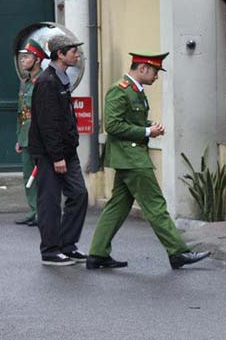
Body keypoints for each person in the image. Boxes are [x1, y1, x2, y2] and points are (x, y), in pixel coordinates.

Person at [87, 52, 210, 270]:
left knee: (117, 206)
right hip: (131, 157)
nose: (156, 76)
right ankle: (178, 252)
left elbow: (130, 120)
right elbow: (112, 125)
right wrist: (146, 131)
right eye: (155, 71)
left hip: (129, 157)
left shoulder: (136, 91)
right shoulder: (120, 90)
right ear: (142, 68)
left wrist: (150, 125)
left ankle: (97, 254)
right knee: (155, 205)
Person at [28, 34, 88, 266]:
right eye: (73, 51)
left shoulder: (61, 79)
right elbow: (48, 124)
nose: (77, 54)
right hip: (51, 154)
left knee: (79, 194)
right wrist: (57, 157)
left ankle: (67, 245)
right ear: (60, 54)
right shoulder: (47, 82)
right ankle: (50, 251)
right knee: (50, 201)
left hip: (66, 151)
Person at [14, 39, 47, 227]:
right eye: (22, 57)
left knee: (42, 176)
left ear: (37, 60)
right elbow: (21, 112)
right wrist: (19, 137)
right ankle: (33, 210)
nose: (22, 60)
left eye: (26, 57)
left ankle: (43, 212)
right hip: (26, 135)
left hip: (39, 135)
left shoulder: (43, 80)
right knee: (28, 175)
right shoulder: (25, 82)